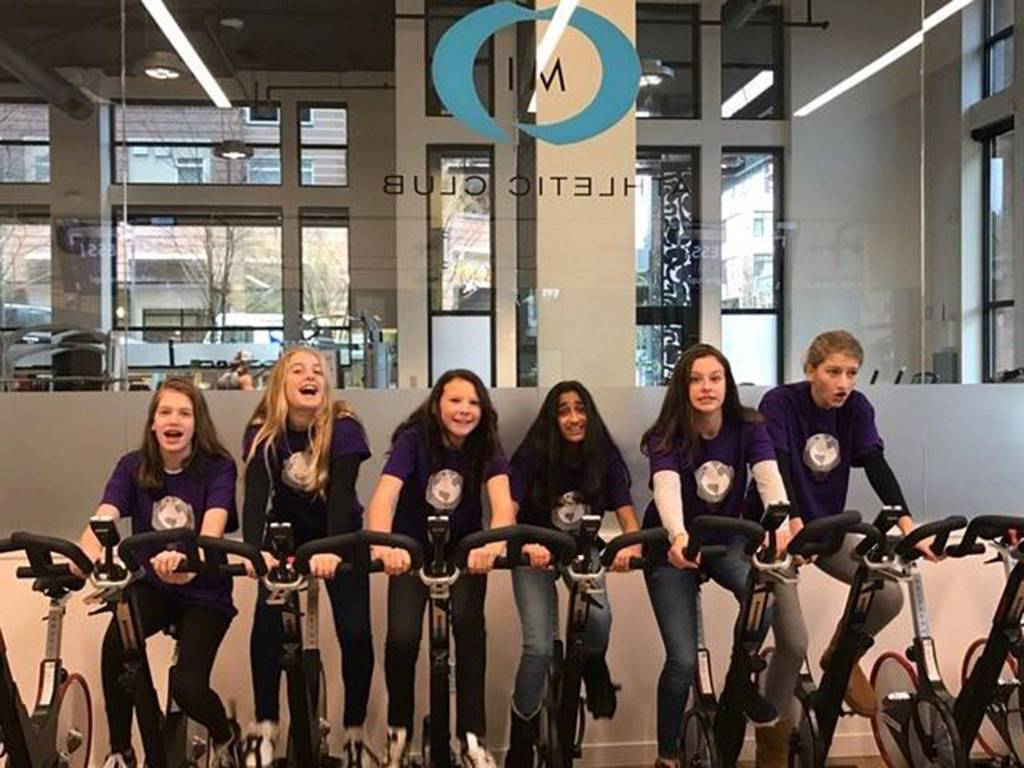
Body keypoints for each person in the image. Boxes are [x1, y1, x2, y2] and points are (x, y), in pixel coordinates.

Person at [750, 329, 936, 765]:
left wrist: (909, 525)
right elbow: (774, 466)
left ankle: (842, 654)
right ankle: (772, 738)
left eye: (851, 373)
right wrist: (791, 519)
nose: (843, 383)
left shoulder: (856, 408)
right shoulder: (780, 403)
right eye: (833, 372)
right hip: (778, 533)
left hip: (828, 529)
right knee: (793, 644)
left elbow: (875, 465)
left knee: (887, 593)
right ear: (810, 369)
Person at [640, 344, 797, 768]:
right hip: (670, 546)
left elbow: (769, 479)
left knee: (763, 599)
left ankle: (739, 684)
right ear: (682, 386)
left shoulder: (749, 426)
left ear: (727, 384)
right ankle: (667, 755)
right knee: (681, 660)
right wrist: (676, 536)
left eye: (715, 378)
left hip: (725, 539)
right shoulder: (667, 433)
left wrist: (779, 527)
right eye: (695, 379)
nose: (706, 387)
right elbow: (667, 487)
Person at [75, 378, 242, 768]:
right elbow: (104, 517)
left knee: (188, 688)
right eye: (165, 412)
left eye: (184, 413)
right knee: (117, 645)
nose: (174, 420)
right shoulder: (132, 466)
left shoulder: (219, 467)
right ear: (152, 422)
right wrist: (82, 557)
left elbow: (211, 530)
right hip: (153, 588)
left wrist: (188, 559)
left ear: (197, 424)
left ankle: (224, 735)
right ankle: (121, 750)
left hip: (204, 592)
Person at [366, 369, 516, 768]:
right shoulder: (413, 439)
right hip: (411, 549)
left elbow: (502, 505)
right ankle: (398, 733)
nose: (465, 410)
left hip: (464, 551)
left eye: (473, 403)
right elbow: (385, 496)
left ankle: (471, 737)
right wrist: (382, 545)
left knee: (469, 631)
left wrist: (493, 544)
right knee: (402, 638)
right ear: (437, 405)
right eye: (455, 401)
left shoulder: (486, 444)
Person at [240, 346, 375, 767]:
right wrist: (254, 553)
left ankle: (354, 731)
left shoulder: (345, 427)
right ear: (282, 382)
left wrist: (331, 551)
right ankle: (265, 725)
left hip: (342, 537)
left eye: (317, 370)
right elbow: (256, 496)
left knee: (355, 634)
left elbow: (340, 497)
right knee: (266, 626)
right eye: (298, 369)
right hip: (287, 541)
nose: (309, 375)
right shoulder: (263, 430)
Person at [504, 381, 642, 767]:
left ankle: (593, 665)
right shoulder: (532, 453)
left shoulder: (604, 455)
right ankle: (521, 738)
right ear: (553, 418)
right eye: (563, 410)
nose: (573, 417)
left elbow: (628, 515)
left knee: (600, 618)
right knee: (538, 649)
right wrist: (518, 544)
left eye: (580, 409)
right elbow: (507, 510)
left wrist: (631, 546)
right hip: (533, 548)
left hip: (582, 549)